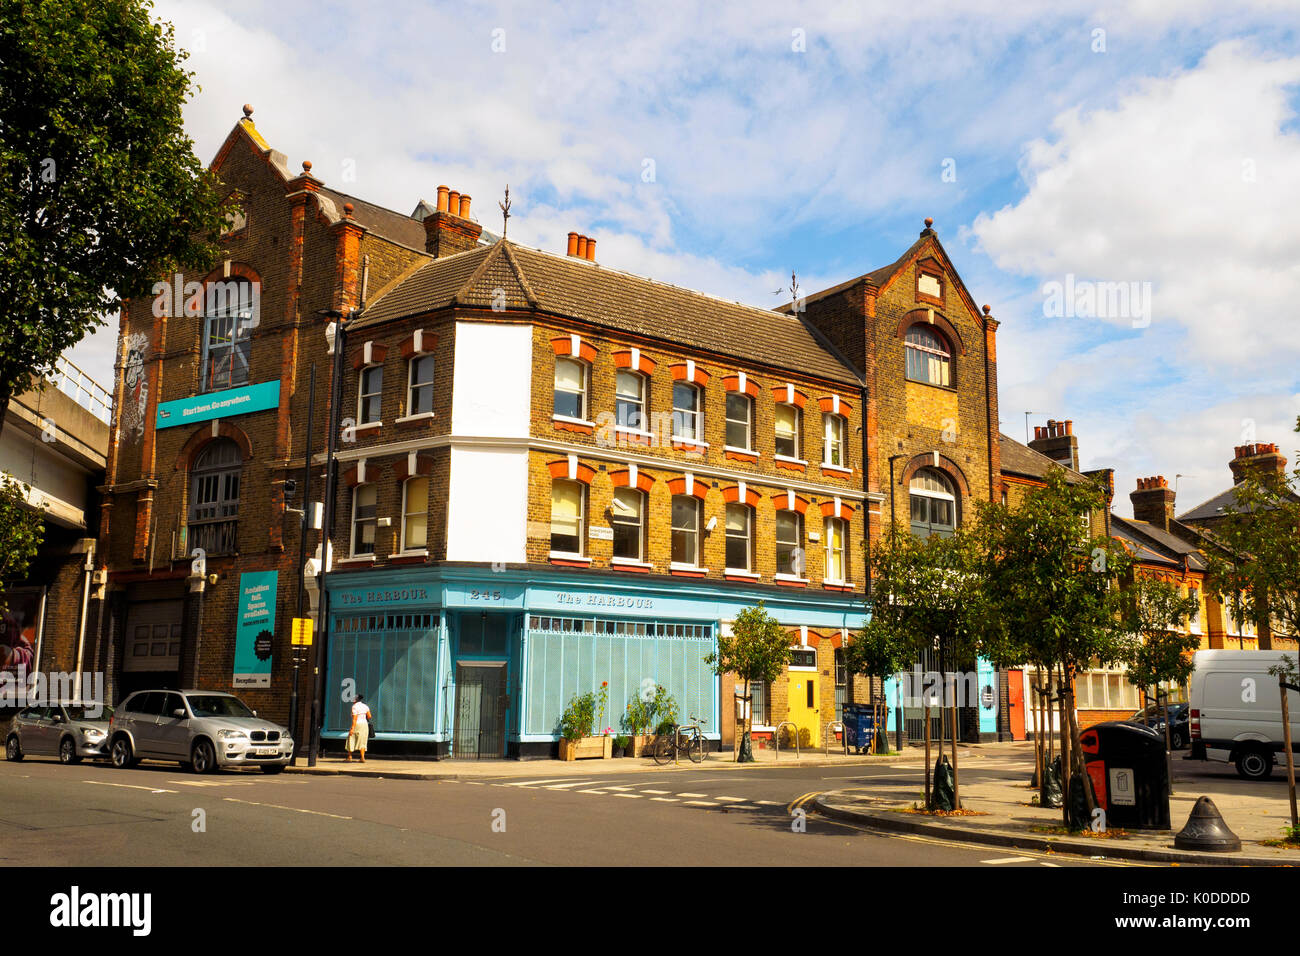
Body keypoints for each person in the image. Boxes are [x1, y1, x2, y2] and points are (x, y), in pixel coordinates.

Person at [346, 694, 372, 762]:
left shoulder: (354, 707)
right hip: (364, 724)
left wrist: (352, 728)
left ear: (355, 700)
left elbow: (355, 719)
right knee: (362, 740)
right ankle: (362, 757)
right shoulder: (365, 706)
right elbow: (369, 716)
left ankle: (350, 756)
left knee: (351, 738)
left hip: (357, 724)